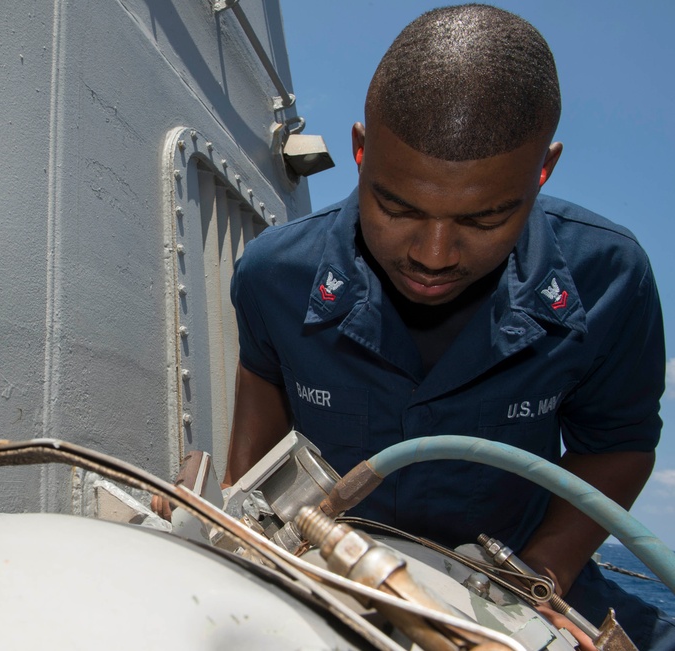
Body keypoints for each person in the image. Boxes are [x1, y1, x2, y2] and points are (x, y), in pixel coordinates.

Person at [225, 4, 673, 649]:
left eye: (484, 219)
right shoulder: (275, 276)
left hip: (524, 578)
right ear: (359, 151)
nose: (433, 255)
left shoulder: (609, 275)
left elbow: (618, 444)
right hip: (333, 575)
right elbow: (256, 455)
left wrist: (535, 580)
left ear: (542, 170)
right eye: (396, 207)